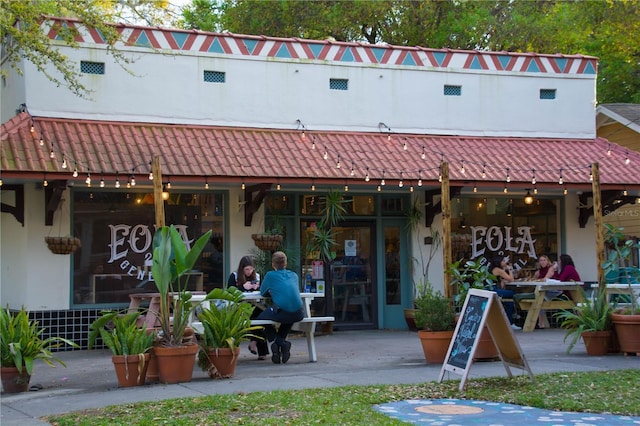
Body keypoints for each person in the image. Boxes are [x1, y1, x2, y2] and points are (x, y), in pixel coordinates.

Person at [257, 251, 304, 364]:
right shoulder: (294, 275)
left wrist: (273, 292)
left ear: (273, 264)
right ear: (285, 263)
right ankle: (279, 350)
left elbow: (263, 293)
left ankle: (281, 343)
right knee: (287, 319)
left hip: (283, 312)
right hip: (299, 313)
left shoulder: (270, 275)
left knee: (260, 319)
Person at [228, 256, 268, 360]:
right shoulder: (234, 276)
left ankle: (255, 344)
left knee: (261, 315)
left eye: (251, 269)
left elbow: (263, 292)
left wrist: (257, 288)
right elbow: (229, 291)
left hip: (255, 305)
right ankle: (257, 345)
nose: (249, 272)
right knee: (255, 316)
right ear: (242, 269)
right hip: (239, 307)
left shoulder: (257, 276)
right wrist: (242, 288)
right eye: (246, 269)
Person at [513, 255, 556, 328]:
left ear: (547, 261)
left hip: (553, 290)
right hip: (542, 290)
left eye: (544, 260)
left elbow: (545, 279)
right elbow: (532, 279)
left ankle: (540, 322)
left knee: (539, 299)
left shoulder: (551, 268)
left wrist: (536, 279)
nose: (542, 262)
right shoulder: (538, 271)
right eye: (541, 260)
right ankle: (539, 322)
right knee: (537, 298)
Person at [489, 255, 521, 330]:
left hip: (491, 289)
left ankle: (510, 321)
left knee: (509, 302)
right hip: (493, 290)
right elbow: (511, 279)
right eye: (503, 261)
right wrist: (509, 269)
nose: (505, 262)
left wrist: (502, 280)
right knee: (512, 293)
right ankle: (513, 318)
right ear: (498, 262)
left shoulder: (493, 269)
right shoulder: (499, 270)